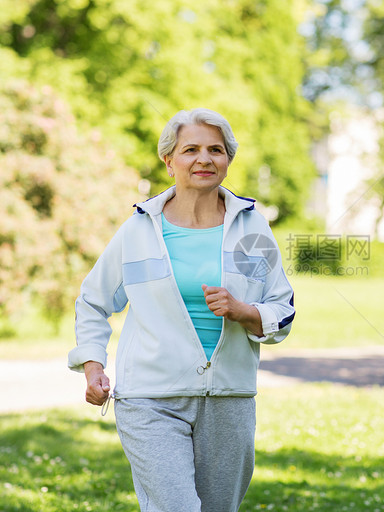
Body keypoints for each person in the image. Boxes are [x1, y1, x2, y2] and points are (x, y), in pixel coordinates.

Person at [68, 108, 295, 512]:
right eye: (191, 149)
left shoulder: (251, 228)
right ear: (169, 161)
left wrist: (243, 311)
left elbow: (282, 307)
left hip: (229, 397)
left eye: (216, 150)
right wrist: (92, 364)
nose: (204, 159)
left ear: (228, 160)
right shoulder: (139, 229)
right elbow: (93, 300)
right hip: (150, 397)